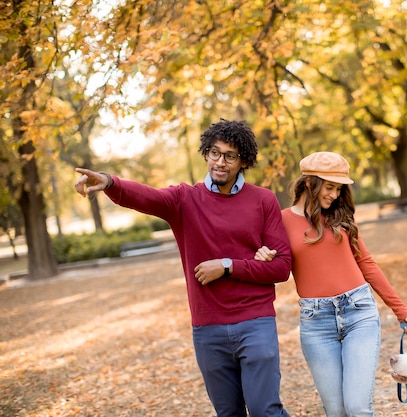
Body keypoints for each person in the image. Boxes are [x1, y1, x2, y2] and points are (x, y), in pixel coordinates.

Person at [74, 119, 292, 417]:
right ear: (206, 154)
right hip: (207, 328)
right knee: (228, 414)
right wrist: (110, 182)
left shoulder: (263, 200)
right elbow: (147, 196)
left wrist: (228, 266)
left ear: (243, 161)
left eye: (230, 156)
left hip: (256, 323)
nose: (220, 162)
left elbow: (281, 267)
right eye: (214, 153)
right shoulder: (184, 199)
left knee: (264, 410)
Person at [255, 151, 407, 417]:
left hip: (359, 314)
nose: (334, 195)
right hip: (316, 322)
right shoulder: (282, 220)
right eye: (329, 187)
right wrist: (262, 255)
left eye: (339, 189)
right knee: (336, 411)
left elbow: (367, 264)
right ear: (310, 182)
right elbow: (275, 266)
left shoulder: (341, 216)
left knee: (357, 408)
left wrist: (402, 311)